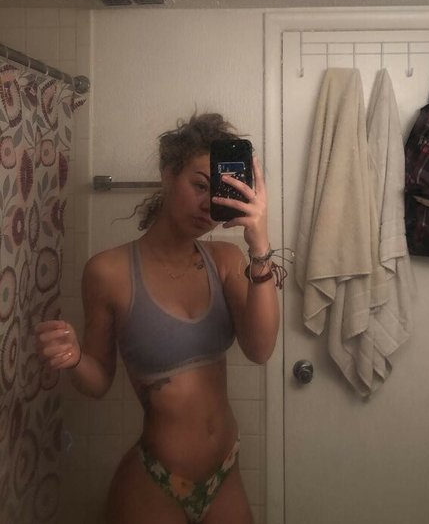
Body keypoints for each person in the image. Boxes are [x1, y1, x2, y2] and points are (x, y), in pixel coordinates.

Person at [35, 113, 280, 524]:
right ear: (168, 173)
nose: (208, 204)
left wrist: (259, 245)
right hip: (154, 482)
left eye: (218, 190)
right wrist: (75, 359)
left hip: (225, 473)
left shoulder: (225, 260)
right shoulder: (109, 272)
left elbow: (261, 348)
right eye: (199, 185)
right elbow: (98, 381)